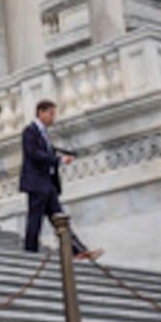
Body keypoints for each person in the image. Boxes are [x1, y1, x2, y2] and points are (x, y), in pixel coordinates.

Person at [19, 99, 101, 260]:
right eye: (51, 114)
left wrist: (62, 155)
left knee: (59, 218)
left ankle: (77, 249)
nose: (53, 118)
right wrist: (58, 160)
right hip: (37, 183)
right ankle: (30, 252)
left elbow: (46, 152)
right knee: (35, 219)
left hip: (48, 183)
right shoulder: (30, 131)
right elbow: (34, 153)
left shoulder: (43, 134)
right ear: (41, 112)